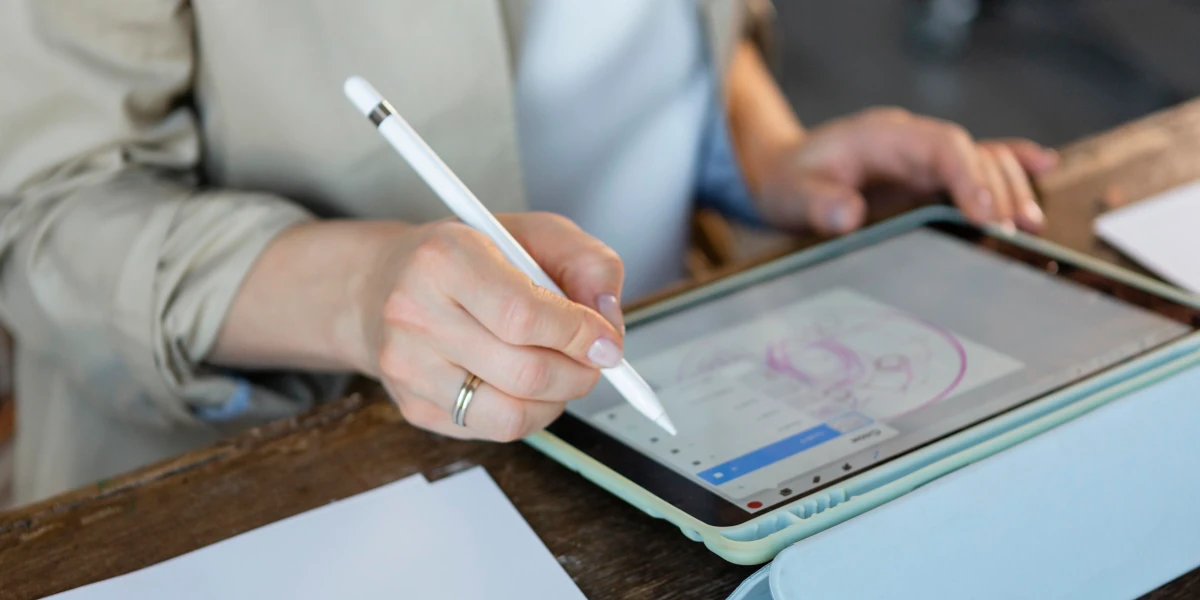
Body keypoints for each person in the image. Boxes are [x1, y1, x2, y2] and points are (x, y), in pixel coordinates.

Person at [0, 0, 1057, 505]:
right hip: (262, 486)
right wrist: (365, 291)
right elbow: (48, 210)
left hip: (673, 396)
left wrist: (768, 156)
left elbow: (677, 35)